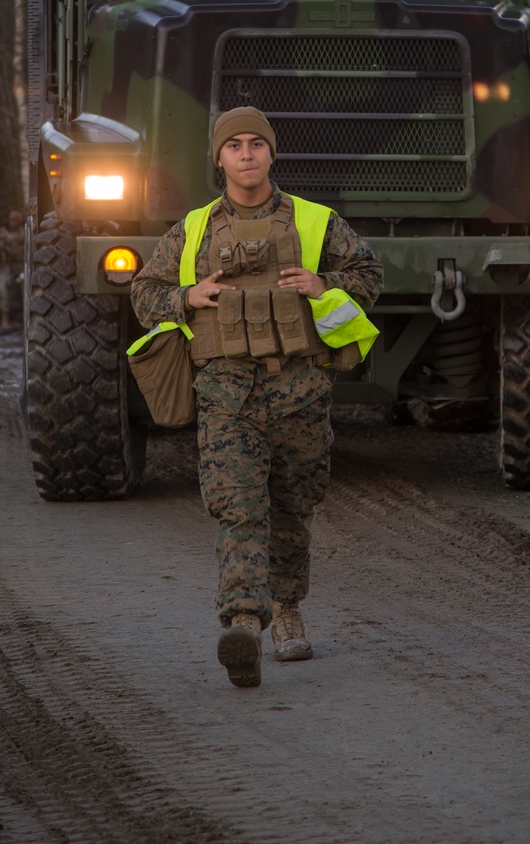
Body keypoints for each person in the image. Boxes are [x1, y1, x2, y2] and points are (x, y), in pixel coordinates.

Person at [130, 106, 382, 689]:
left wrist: (327, 284)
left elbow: (369, 274)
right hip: (226, 393)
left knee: (293, 507)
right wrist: (187, 297)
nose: (246, 154)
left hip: (301, 390)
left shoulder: (316, 222)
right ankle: (243, 621)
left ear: (272, 154)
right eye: (234, 145)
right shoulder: (193, 229)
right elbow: (145, 291)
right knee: (238, 507)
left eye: (256, 145)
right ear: (218, 158)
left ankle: (288, 609)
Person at [4, 210, 26, 327]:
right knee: (11, 294)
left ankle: (24, 320)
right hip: (10, 267)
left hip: (22, 266)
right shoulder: (6, 236)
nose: (13, 223)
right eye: (11, 221)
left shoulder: (24, 233)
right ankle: (16, 320)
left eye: (15, 221)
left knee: (24, 292)